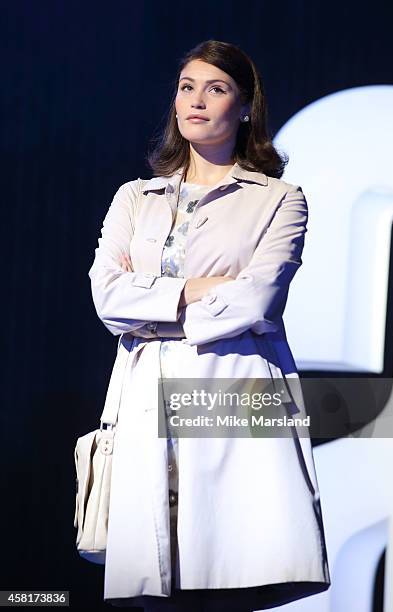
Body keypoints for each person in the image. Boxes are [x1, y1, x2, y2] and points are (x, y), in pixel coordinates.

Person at [88, 40, 331, 611]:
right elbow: (106, 296)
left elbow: (256, 303)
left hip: (231, 391)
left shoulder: (279, 200)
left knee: (227, 572)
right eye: (187, 86)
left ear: (245, 108)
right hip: (145, 392)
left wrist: (150, 303)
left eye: (216, 88)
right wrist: (197, 289)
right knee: (157, 578)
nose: (196, 100)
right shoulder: (135, 198)